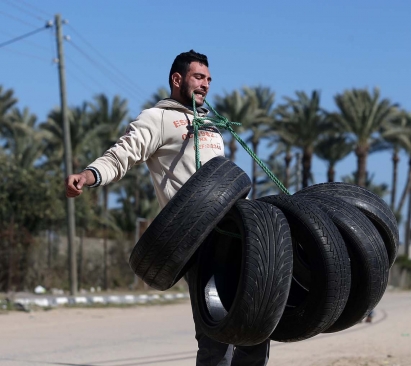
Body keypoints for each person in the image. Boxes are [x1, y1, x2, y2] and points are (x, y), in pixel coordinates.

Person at [65, 50, 270, 366]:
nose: (205, 85)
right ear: (177, 79)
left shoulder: (212, 126)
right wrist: (88, 176)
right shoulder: (157, 119)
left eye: (209, 80)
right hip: (200, 242)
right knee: (217, 336)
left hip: (238, 237)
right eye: (198, 77)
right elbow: (122, 155)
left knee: (255, 329)